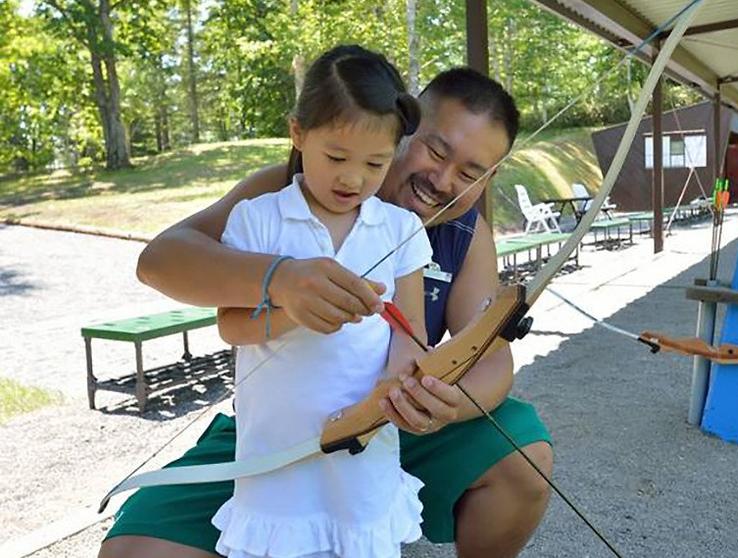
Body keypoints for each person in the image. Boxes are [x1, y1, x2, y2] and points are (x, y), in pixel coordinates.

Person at [99, 66, 553, 558]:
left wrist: (439, 405)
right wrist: (279, 279)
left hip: (388, 421)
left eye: (469, 173)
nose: (442, 181)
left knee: (523, 458)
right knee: (134, 553)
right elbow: (160, 260)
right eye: (435, 151)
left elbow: (488, 356)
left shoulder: (466, 231)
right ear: (404, 127)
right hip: (278, 431)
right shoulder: (293, 187)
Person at [213, 44, 433, 558]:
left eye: (376, 163)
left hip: (363, 449)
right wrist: (293, 312)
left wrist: (394, 388)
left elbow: (410, 331)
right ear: (297, 133)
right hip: (277, 458)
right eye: (335, 157)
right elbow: (230, 326)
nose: (352, 178)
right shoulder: (258, 219)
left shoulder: (400, 229)